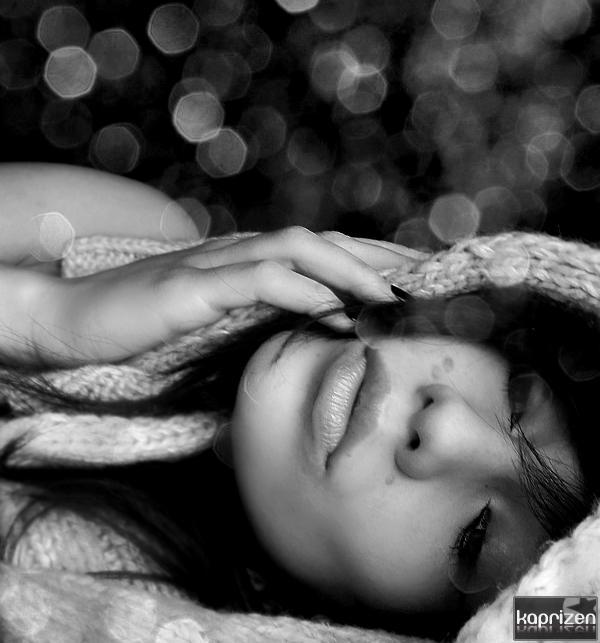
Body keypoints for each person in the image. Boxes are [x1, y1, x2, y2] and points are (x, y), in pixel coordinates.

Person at [0, 164, 597, 641]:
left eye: (475, 538)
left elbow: (577, 624)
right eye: (517, 401)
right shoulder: (124, 234)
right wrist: (46, 311)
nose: (447, 425)